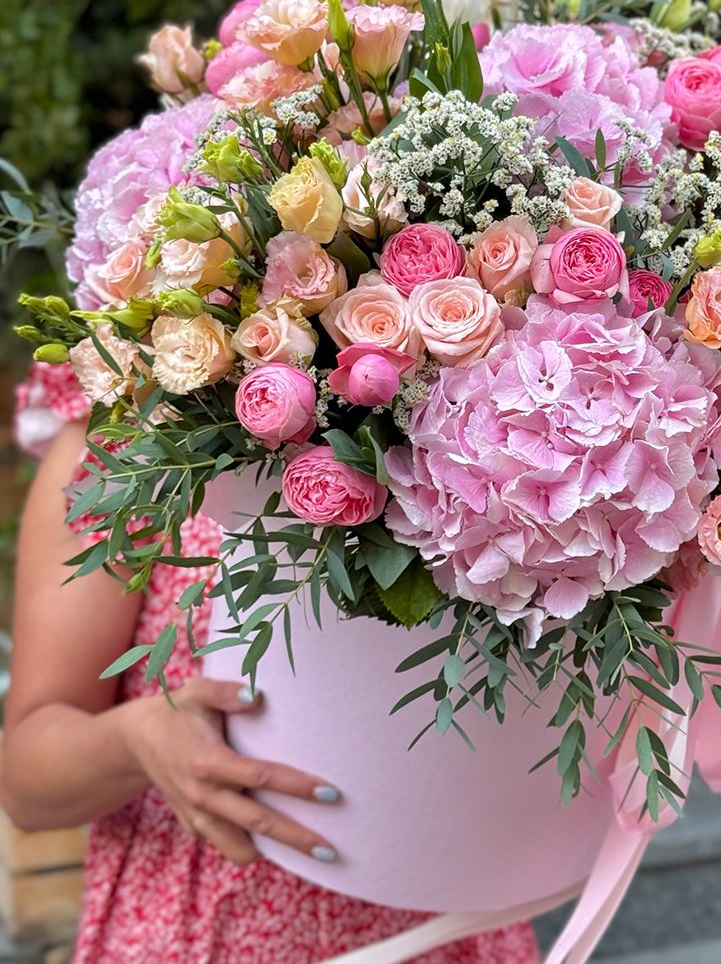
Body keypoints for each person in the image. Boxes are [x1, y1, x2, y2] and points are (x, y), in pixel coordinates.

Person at [0, 364, 539, 964]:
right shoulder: (130, 431)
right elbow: (27, 783)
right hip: (205, 932)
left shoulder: (516, 406)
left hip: (451, 927)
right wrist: (136, 741)